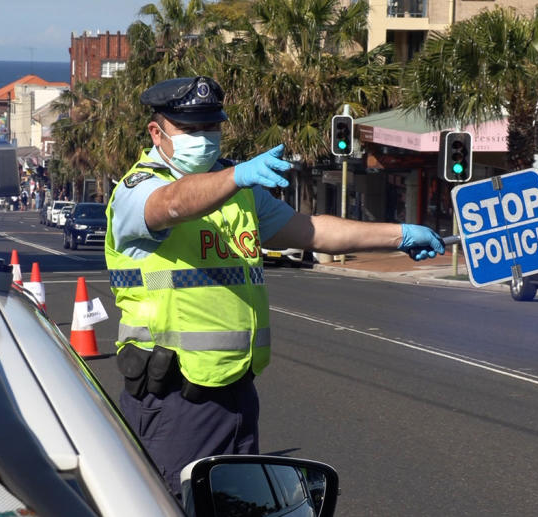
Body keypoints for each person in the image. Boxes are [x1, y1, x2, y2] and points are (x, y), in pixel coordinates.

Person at [104, 76, 444, 495]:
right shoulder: (138, 190)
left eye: (212, 128)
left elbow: (313, 231)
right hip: (175, 400)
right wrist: (237, 176)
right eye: (191, 131)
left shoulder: (238, 191)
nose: (205, 139)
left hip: (237, 392)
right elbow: (172, 204)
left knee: (238, 504)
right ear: (157, 133)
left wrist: (399, 235)